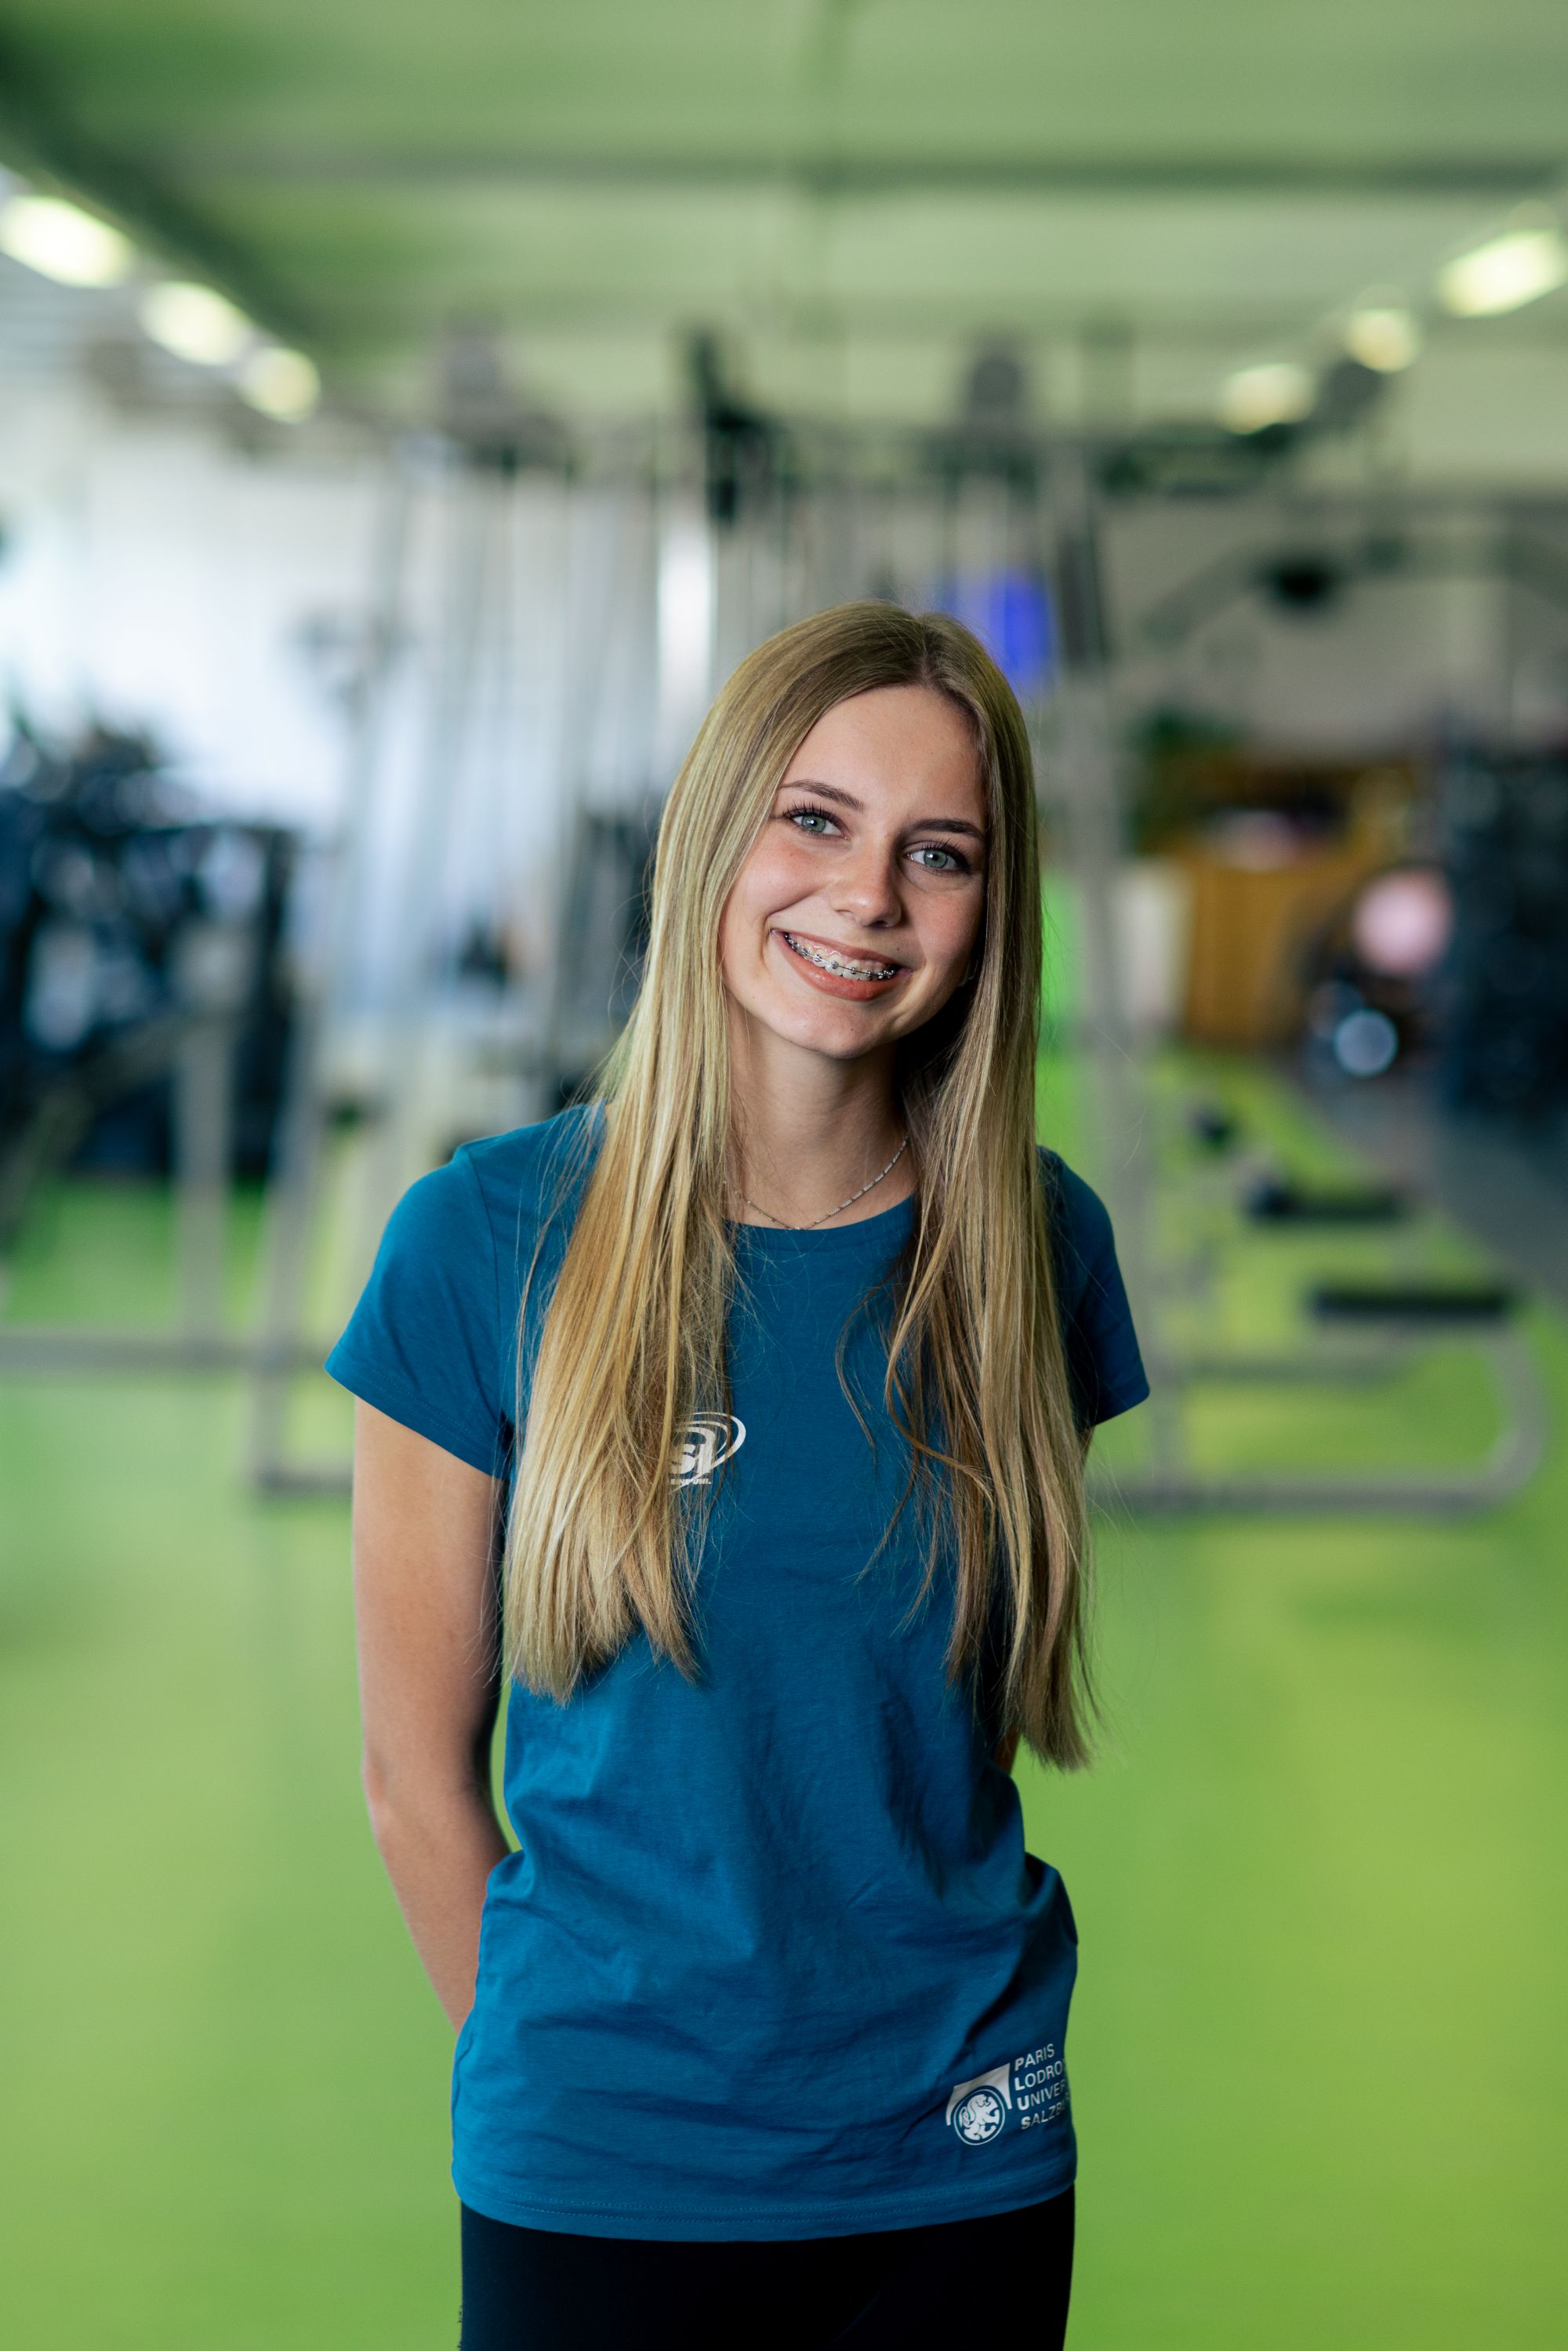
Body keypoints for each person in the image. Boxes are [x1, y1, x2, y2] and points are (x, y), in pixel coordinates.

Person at [328, 600, 1148, 2349]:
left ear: (990, 912)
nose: (868, 898)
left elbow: (936, 1731)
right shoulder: (479, 1246)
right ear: (716, 833)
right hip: (605, 2165)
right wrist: (572, 2093)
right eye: (815, 820)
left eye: (940, 854)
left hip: (960, 2154)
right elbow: (415, 1781)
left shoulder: (1033, 1253)